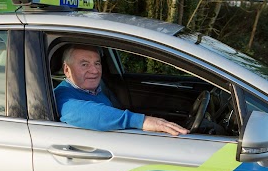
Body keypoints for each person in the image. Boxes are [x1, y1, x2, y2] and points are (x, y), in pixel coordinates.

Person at [54, 45, 189, 136]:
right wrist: (142, 121)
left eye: (97, 63)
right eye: (84, 64)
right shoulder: (62, 96)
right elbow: (89, 114)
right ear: (67, 69)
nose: (95, 71)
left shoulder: (95, 88)